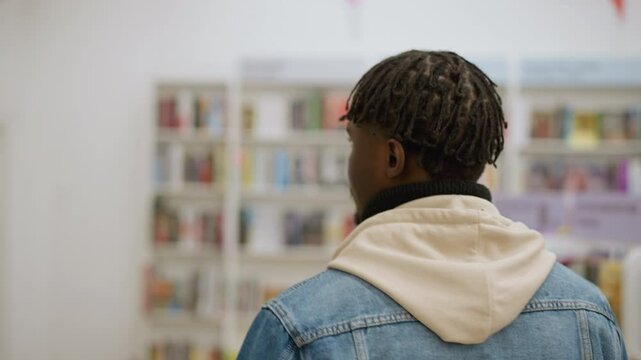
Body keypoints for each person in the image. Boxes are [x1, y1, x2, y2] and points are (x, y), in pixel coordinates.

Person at [238, 50, 627, 359]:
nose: (350, 163)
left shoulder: (299, 326)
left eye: (354, 144)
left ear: (393, 158)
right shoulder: (587, 312)